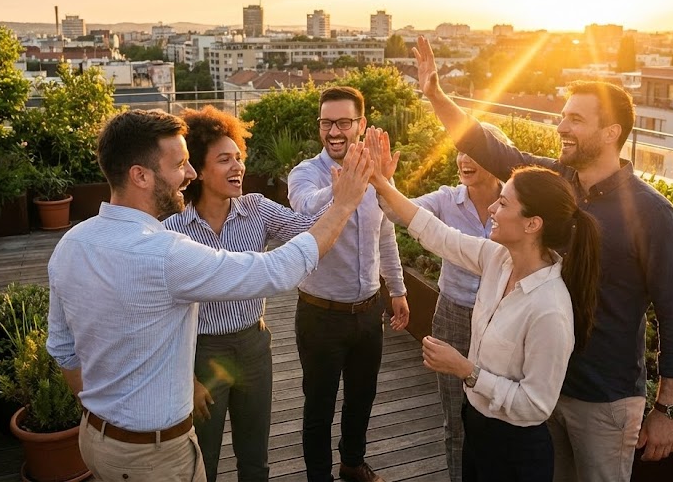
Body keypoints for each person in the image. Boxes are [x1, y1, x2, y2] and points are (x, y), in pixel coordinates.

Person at [413, 36, 673, 482]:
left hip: (603, 399)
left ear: (611, 133)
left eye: (575, 119)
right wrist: (435, 95)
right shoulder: (557, 182)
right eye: (562, 116)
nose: (561, 126)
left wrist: (668, 408)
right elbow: (487, 147)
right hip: (540, 389)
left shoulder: (654, 216)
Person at [46, 109, 372, 482]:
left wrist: (106, 419)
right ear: (140, 175)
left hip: (95, 442)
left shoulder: (71, 243)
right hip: (155, 456)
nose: (188, 174)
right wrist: (344, 202)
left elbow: (62, 349)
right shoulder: (167, 252)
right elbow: (275, 271)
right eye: (180, 164)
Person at [366, 126, 601, 482]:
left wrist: (466, 370)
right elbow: (435, 233)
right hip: (477, 427)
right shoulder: (497, 259)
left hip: (515, 450)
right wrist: (382, 183)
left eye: (504, 203)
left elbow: (535, 405)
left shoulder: (550, 308)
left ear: (532, 224)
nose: (492, 208)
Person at [163, 106, 326, 482]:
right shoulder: (173, 229)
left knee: (255, 457)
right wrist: (188, 378)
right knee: (203, 459)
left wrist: (349, 188)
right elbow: (164, 313)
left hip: (255, 346)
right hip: (202, 353)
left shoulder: (256, 209)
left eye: (238, 157)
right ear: (198, 169)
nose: (238, 167)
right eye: (224, 160)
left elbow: (309, 229)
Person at [287, 86, 410, 482]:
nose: (334, 131)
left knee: (362, 398)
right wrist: (346, 187)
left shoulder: (378, 176)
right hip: (320, 314)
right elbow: (305, 208)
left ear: (361, 124)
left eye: (343, 122)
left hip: (369, 311)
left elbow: (386, 234)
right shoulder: (306, 174)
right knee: (318, 408)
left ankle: (353, 464)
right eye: (327, 123)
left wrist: (398, 290)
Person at [406, 122, 511, 482]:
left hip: (503, 321)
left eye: (475, 152)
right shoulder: (445, 200)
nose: (464, 159)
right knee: (456, 415)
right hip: (453, 315)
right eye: (460, 152)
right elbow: (400, 212)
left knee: (497, 413)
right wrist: (380, 184)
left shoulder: (516, 203)